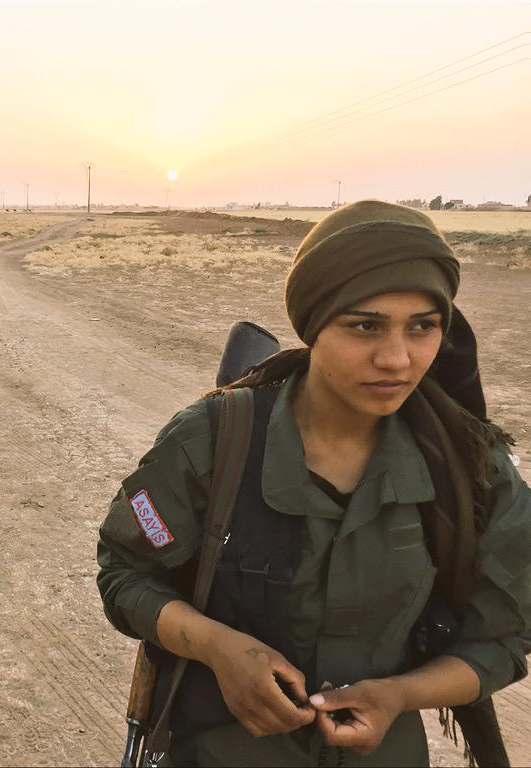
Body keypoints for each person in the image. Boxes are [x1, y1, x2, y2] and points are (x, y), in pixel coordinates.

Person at [98, 200, 531, 766]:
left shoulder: (468, 466)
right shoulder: (215, 439)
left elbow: (507, 634)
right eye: (365, 326)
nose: (397, 359)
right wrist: (218, 647)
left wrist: (400, 693)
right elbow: (127, 572)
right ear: (314, 324)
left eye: (422, 327)